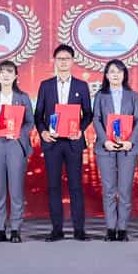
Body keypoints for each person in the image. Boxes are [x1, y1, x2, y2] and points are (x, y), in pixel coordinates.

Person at [36, 44, 93, 241]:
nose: (63, 62)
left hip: (73, 142)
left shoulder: (81, 86)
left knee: (76, 186)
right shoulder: (46, 85)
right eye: (60, 59)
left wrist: (80, 129)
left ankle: (79, 230)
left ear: (72, 61)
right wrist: (43, 132)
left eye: (67, 59)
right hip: (52, 143)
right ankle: (57, 229)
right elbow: (38, 115)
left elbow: (88, 114)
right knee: (54, 186)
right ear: (55, 61)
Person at [0, 60, 34, 243]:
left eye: (9, 72)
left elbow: (30, 122)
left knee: (16, 189)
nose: (5, 75)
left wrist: (18, 132)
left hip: (15, 144)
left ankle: (16, 229)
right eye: (2, 72)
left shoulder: (23, 97)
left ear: (16, 76)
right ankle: (0, 229)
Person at [92, 59, 138, 241]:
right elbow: (96, 119)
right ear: (106, 75)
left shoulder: (132, 95)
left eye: (119, 71)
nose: (115, 75)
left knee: (125, 190)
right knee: (109, 190)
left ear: (124, 75)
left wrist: (131, 141)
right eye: (112, 71)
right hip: (106, 147)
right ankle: (110, 228)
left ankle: (122, 229)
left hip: (128, 148)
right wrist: (105, 141)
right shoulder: (100, 95)